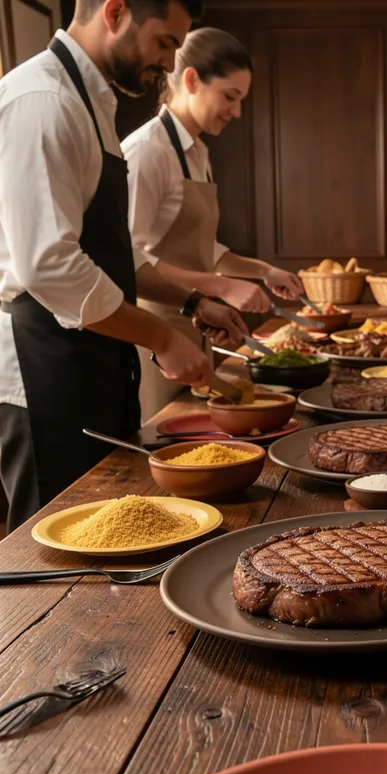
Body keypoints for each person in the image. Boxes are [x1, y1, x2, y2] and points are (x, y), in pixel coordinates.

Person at [0, 0, 250, 532]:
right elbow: (50, 266)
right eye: (163, 42)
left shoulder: (93, 103)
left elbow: (116, 252)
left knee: (105, 536)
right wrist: (161, 336)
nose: (167, 62)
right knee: (54, 548)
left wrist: (191, 301)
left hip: (93, 360)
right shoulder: (44, 100)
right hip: (42, 364)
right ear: (114, 12)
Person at [122, 27, 304, 421]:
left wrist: (262, 271)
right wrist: (221, 286)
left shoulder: (197, 151)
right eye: (230, 97)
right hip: (156, 337)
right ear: (191, 80)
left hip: (197, 324)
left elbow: (203, 247)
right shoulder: (147, 151)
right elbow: (127, 256)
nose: (236, 112)